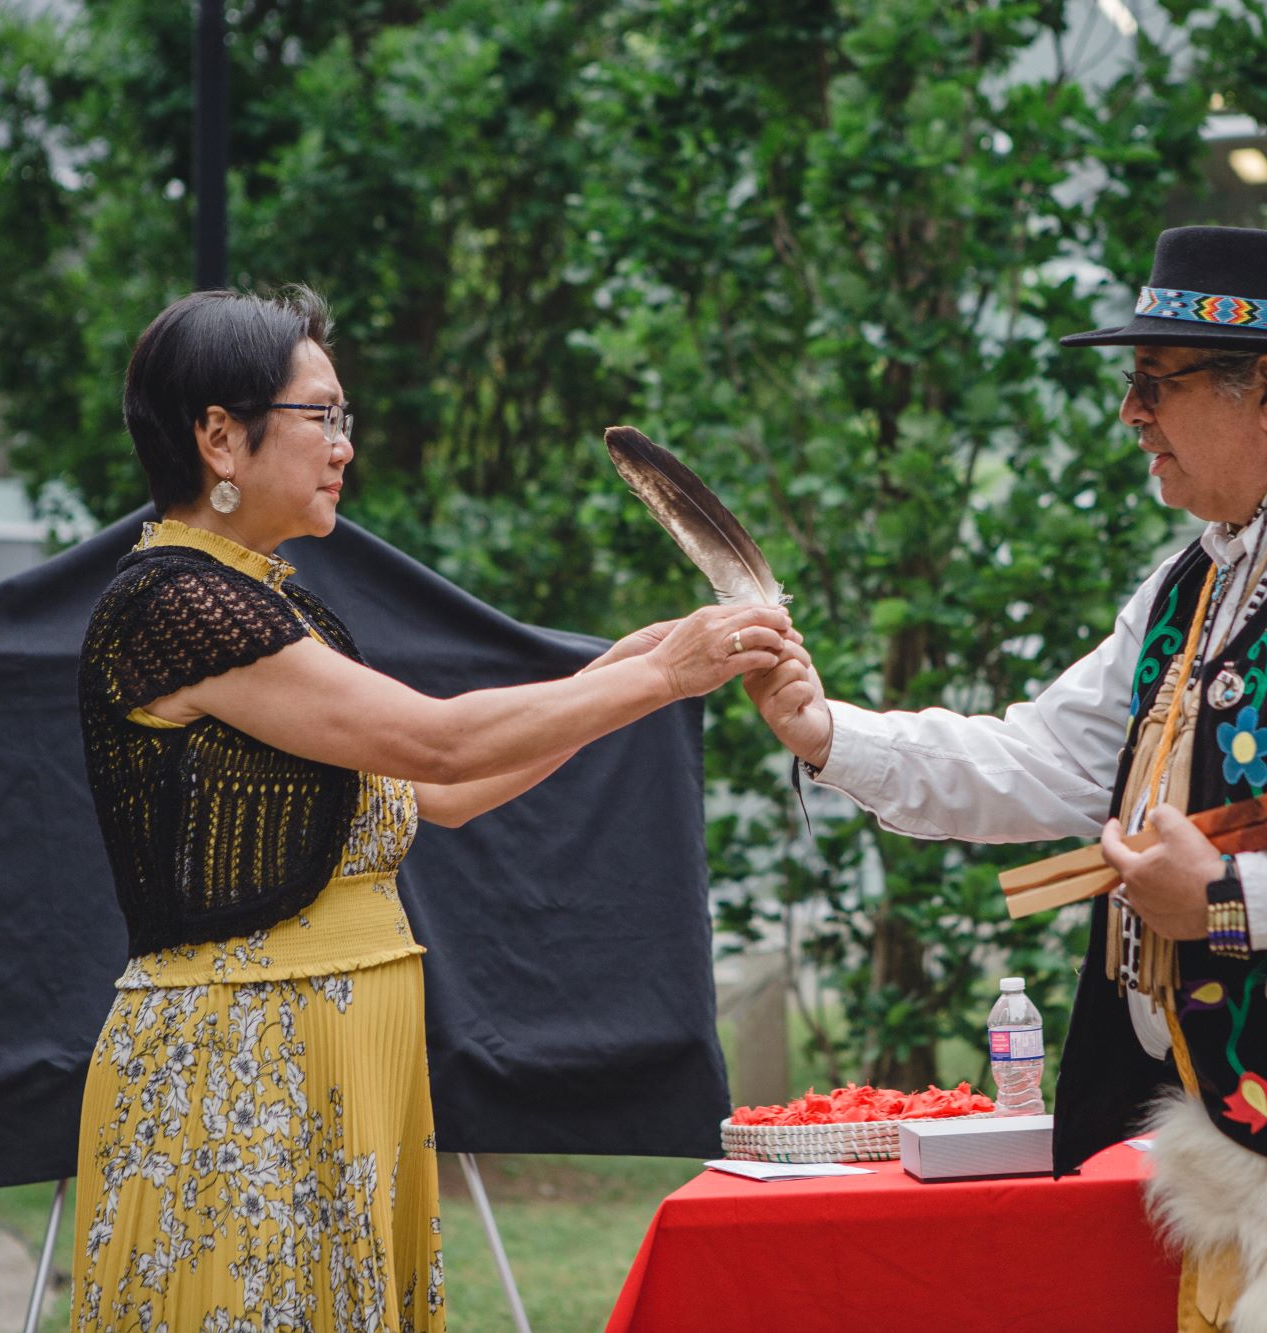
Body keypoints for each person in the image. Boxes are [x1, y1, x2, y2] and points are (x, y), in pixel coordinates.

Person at [746, 227, 1267, 1333]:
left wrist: (1230, 901)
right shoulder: (1204, 573)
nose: (1131, 413)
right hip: (1260, 1135)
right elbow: (1049, 755)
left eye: (1152, 381)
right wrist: (826, 733)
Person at [71, 286, 794, 1331]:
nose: (342, 447)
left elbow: (441, 793)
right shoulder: (175, 604)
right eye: (320, 416)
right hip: (241, 1066)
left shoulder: (273, 602)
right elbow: (437, 738)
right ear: (219, 437)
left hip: (338, 1046)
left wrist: (632, 665)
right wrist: (662, 676)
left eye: (341, 419)